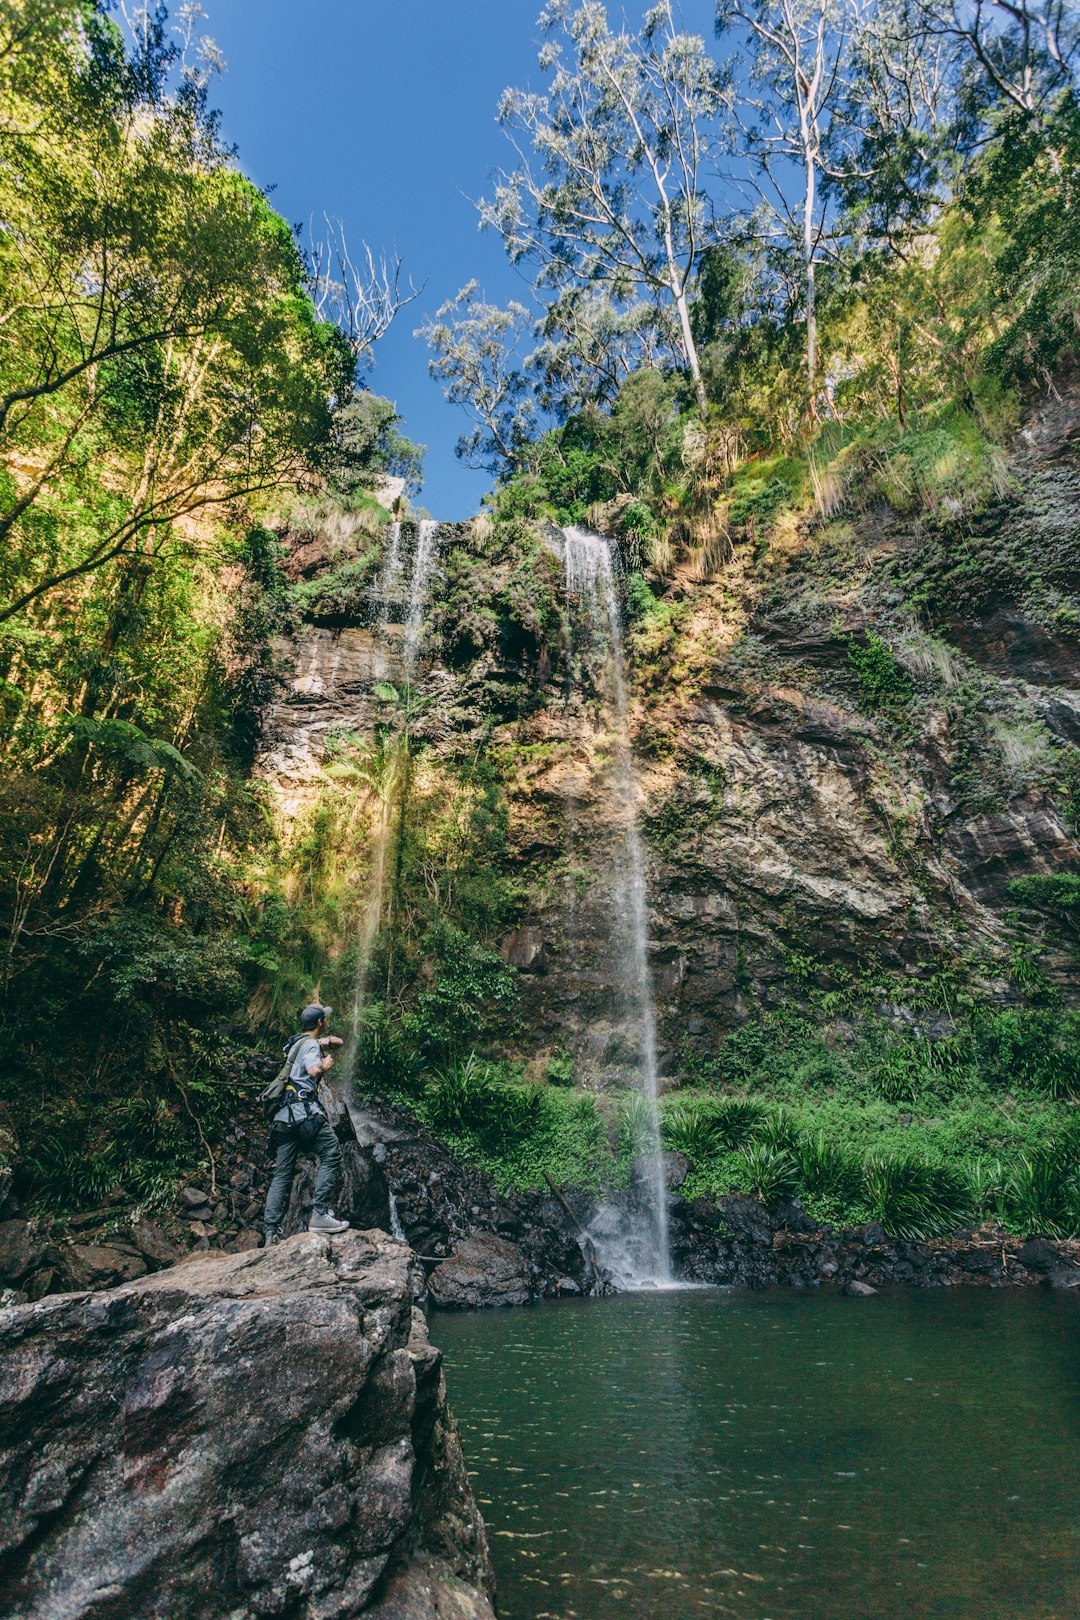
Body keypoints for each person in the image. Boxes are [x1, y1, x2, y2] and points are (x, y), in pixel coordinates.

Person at [263, 1003, 350, 1246]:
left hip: (283, 1117)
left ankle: (270, 1233)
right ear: (320, 1022)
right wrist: (325, 1065)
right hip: (305, 1114)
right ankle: (320, 1214)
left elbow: (339, 1042)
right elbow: (313, 1069)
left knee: (282, 1174)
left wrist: (326, 1041)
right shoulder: (310, 1045)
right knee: (332, 1153)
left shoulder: (294, 1043)